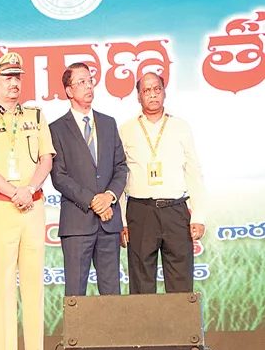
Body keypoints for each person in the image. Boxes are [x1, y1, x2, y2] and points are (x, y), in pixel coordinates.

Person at [0, 52, 58, 350]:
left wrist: (29, 189)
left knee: (34, 285)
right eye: (7, 78)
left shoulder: (36, 116)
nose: (14, 83)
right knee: (4, 286)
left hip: (33, 207)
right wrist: (14, 193)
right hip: (2, 208)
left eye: (17, 78)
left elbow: (46, 159)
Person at [119, 72, 205, 293]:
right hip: (140, 212)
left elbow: (193, 172)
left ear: (164, 92)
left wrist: (198, 217)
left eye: (157, 89)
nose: (152, 94)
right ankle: (143, 319)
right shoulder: (126, 129)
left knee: (180, 282)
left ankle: (181, 319)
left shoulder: (180, 126)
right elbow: (119, 176)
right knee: (141, 283)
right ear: (138, 96)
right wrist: (122, 221)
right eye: (146, 90)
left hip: (175, 211)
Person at [49, 62, 127, 297]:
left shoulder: (108, 123)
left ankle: (113, 327)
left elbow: (121, 167)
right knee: (75, 294)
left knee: (112, 294)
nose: (89, 86)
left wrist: (108, 197)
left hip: (109, 222)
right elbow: (59, 176)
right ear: (69, 91)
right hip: (77, 223)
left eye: (90, 81)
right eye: (81, 82)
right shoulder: (56, 129)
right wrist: (93, 200)